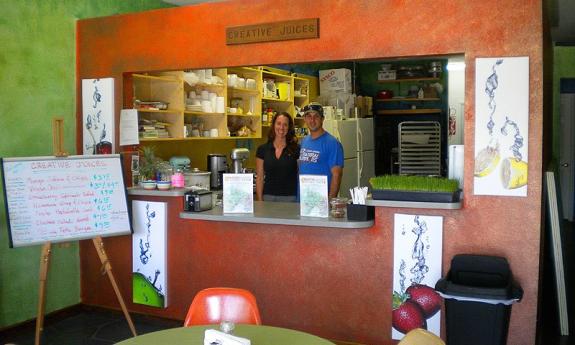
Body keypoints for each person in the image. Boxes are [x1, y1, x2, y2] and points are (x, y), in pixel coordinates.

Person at [298, 103, 344, 199]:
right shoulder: (304, 141)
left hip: (321, 202)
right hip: (303, 199)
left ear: (322, 119)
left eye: (316, 116)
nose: (312, 120)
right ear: (305, 119)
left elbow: (337, 175)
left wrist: (330, 202)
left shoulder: (333, 144)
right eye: (309, 116)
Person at [255, 112, 300, 202]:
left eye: (285, 125)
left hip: (290, 199)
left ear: (289, 127)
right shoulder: (263, 149)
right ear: (273, 125)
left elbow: (300, 175)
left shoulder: (296, 149)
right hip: (268, 197)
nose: (281, 128)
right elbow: (260, 177)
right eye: (278, 123)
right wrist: (260, 201)